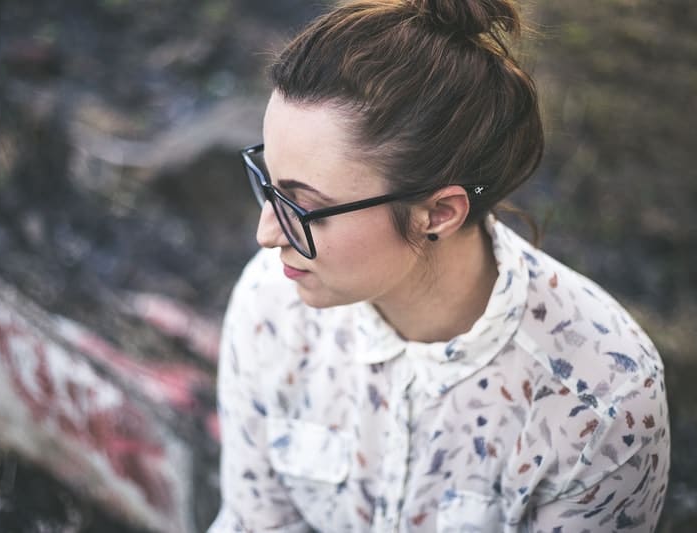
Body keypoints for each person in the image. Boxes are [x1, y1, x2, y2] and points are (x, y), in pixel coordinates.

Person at [208, 0, 670, 531]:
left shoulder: (602, 399)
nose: (266, 234)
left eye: (303, 207)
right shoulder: (272, 305)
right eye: (267, 183)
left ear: (440, 213)